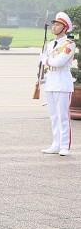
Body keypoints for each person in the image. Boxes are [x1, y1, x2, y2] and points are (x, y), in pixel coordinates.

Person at [39, 12, 76, 156]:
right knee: (53, 115)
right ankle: (56, 143)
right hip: (51, 81)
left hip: (62, 82)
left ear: (64, 27)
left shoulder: (69, 44)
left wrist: (45, 60)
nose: (54, 26)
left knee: (63, 116)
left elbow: (59, 62)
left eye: (58, 25)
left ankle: (64, 145)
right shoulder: (49, 44)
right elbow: (47, 64)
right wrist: (41, 76)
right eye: (53, 24)